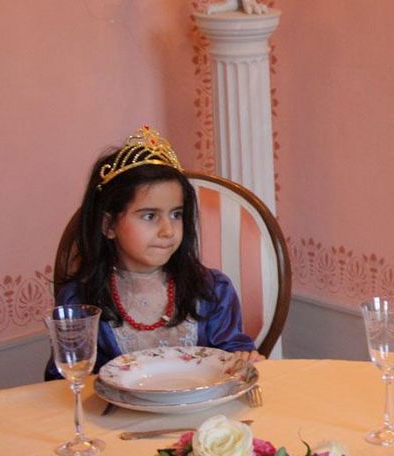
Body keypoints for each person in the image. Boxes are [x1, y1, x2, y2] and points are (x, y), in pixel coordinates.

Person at [45, 125, 261, 380]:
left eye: (176, 214)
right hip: (116, 419)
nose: (168, 230)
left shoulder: (212, 290)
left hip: (200, 416)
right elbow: (66, 382)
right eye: (149, 216)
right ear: (109, 225)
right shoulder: (81, 301)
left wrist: (245, 358)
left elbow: (232, 355)